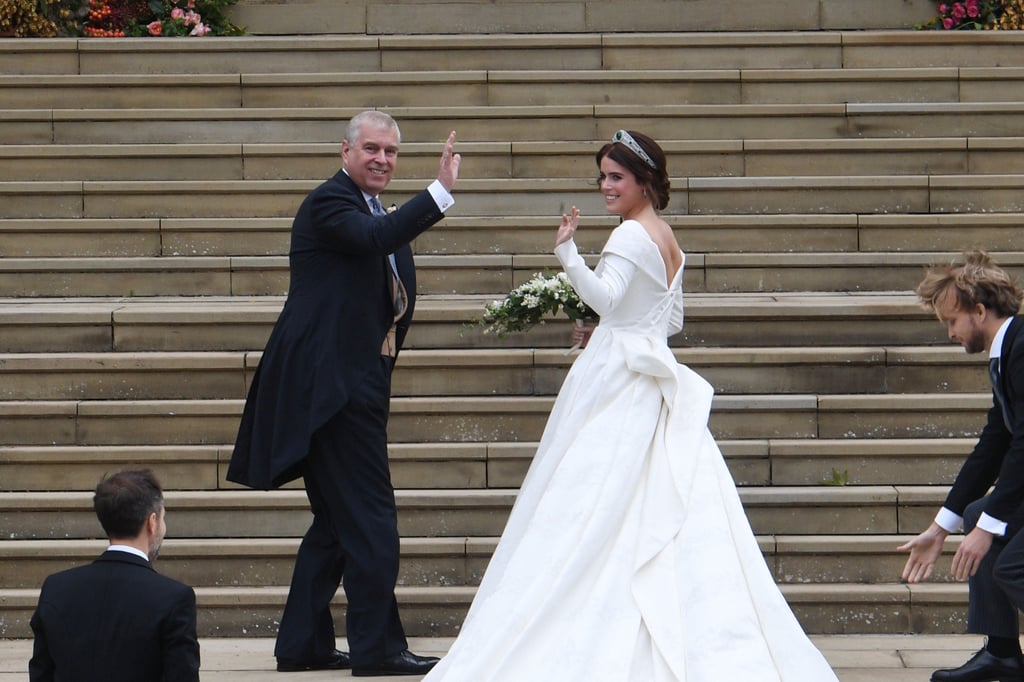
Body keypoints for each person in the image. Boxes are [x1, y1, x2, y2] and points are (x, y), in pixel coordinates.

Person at [421, 130, 840, 681]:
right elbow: (671, 321)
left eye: (616, 177)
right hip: (650, 372)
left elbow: (607, 298)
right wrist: (620, 328)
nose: (605, 186)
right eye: (602, 177)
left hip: (618, 380)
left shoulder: (627, 237)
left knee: (588, 505)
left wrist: (568, 253)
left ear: (645, 181)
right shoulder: (667, 238)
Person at [226, 110, 460, 677]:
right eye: (372, 148)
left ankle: (302, 644)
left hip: (357, 381)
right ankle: (378, 649)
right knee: (372, 519)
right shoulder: (331, 204)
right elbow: (377, 240)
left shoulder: (374, 208)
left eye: (392, 152)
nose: (382, 159)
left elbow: (389, 285)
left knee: (336, 524)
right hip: (331, 388)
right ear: (345, 151)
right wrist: (440, 193)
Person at [899, 251, 1024, 682]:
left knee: (1012, 565)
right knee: (974, 515)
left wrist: (986, 530)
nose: (950, 332)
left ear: (981, 311)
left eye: (952, 321)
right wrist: (941, 528)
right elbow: (994, 445)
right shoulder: (1008, 351)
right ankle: (1004, 655)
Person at [29, 469, 200, 682]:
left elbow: (41, 673)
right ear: (152, 522)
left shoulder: (56, 587)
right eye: (163, 518)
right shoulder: (174, 598)